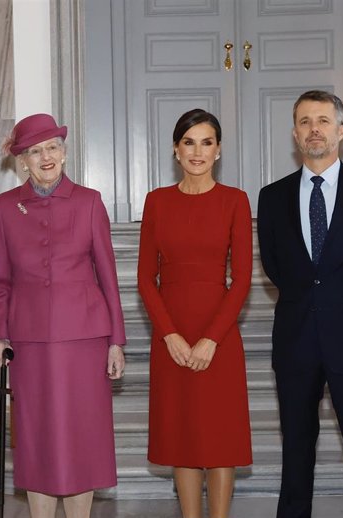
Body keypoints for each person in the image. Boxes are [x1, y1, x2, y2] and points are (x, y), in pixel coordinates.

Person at [0, 113, 126, 518]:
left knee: (82, 440)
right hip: (29, 342)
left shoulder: (89, 202)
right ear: (23, 161)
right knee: (37, 442)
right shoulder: (5, 207)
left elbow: (108, 276)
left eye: (52, 147)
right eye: (34, 151)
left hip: (85, 340)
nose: (45, 157)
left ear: (64, 153)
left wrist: (116, 340)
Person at [137, 109, 252, 518]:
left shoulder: (235, 201)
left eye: (206, 142)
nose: (197, 151)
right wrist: (169, 334)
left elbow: (240, 281)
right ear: (175, 149)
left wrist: (210, 339)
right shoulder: (157, 201)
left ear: (218, 150)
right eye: (189, 142)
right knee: (181, 436)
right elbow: (146, 280)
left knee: (220, 438)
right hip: (172, 334)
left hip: (218, 334)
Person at [257, 90, 343, 518]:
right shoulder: (271, 197)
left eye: (324, 120)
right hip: (295, 340)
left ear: (341, 130)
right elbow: (276, 266)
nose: (315, 128)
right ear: (295, 134)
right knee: (296, 449)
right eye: (306, 121)